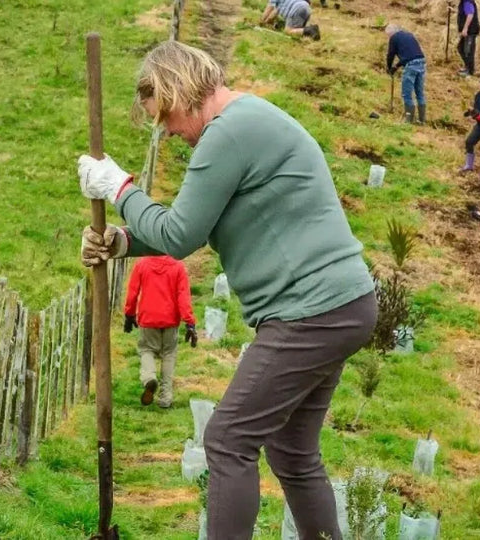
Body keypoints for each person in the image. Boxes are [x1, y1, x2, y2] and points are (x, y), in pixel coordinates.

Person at [78, 41, 376, 539]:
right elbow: (190, 224)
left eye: (164, 116)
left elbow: (179, 235)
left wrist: (120, 188)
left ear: (179, 91)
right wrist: (120, 241)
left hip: (310, 311)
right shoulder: (246, 123)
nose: (167, 131)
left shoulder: (229, 132)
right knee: (292, 450)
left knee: (228, 439)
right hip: (340, 306)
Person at [123, 255, 198, 408]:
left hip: (148, 318)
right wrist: (189, 322)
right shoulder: (178, 267)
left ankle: (149, 378)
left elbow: (133, 292)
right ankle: (165, 397)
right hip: (170, 319)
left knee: (146, 350)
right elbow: (183, 296)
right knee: (169, 354)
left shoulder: (142, 264)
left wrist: (129, 314)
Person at [385, 23, 427, 124]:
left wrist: (389, 67)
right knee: (420, 93)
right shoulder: (409, 35)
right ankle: (422, 120)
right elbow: (409, 55)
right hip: (421, 62)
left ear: (391, 33)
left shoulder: (394, 38)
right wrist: (396, 66)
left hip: (411, 65)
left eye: (388, 36)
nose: (388, 38)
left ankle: (408, 120)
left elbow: (390, 54)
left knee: (406, 93)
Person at [457, 0, 480, 77]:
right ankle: (467, 67)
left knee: (468, 51)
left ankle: (470, 71)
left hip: (470, 31)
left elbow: (470, 15)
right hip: (468, 31)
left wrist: (465, 28)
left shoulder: (467, 2)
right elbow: (463, 13)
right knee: (461, 48)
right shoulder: (463, 2)